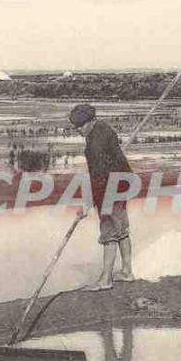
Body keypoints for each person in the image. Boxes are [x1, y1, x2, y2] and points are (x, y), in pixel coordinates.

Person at [69, 104, 135, 291]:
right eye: (76, 127)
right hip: (122, 183)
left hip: (110, 188)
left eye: (81, 126)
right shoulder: (104, 128)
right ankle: (127, 271)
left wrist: (87, 203)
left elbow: (98, 176)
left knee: (109, 232)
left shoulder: (95, 143)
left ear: (91, 121)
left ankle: (105, 279)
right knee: (121, 229)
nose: (79, 130)